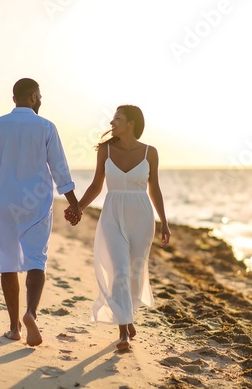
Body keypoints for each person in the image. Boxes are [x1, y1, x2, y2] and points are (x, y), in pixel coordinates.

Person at [0, 78, 82, 347]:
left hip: (5, 204)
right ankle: (31, 313)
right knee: (36, 260)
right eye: (40, 96)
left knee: (8, 263)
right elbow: (60, 169)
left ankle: (14, 328)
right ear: (33, 97)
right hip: (37, 204)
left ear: (14, 99)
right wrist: (74, 202)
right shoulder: (46, 127)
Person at [65, 105, 171, 350]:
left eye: (117, 118)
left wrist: (164, 221)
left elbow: (154, 188)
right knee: (120, 270)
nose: (112, 122)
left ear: (131, 123)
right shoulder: (106, 150)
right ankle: (123, 332)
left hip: (142, 217)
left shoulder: (150, 153)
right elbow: (96, 185)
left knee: (134, 272)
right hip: (112, 215)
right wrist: (78, 207)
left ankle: (127, 315)